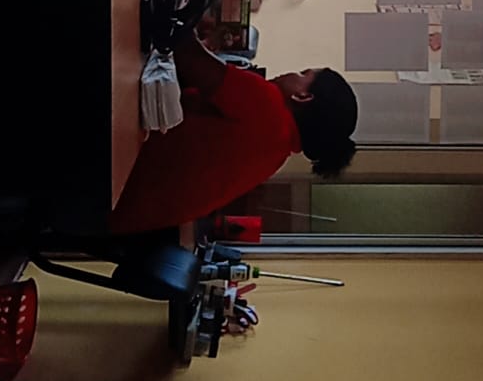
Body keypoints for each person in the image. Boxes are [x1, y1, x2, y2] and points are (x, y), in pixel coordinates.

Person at [110, 30, 358, 235]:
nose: (292, 73)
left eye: (303, 74)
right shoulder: (276, 154)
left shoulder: (269, 108)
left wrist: (190, 20)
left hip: (111, 160)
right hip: (113, 205)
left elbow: (186, 54)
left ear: (302, 96)